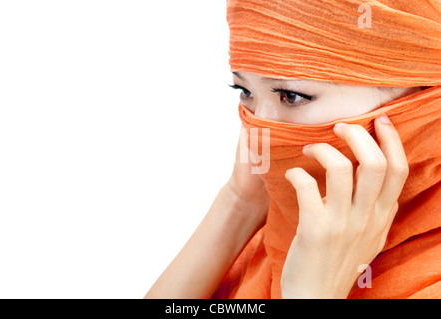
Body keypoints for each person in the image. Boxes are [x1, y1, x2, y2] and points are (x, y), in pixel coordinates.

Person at [145, 0, 441, 299]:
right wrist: (239, 202)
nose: (260, 126)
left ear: (419, 96)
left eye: (292, 95)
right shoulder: (275, 231)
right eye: (244, 91)